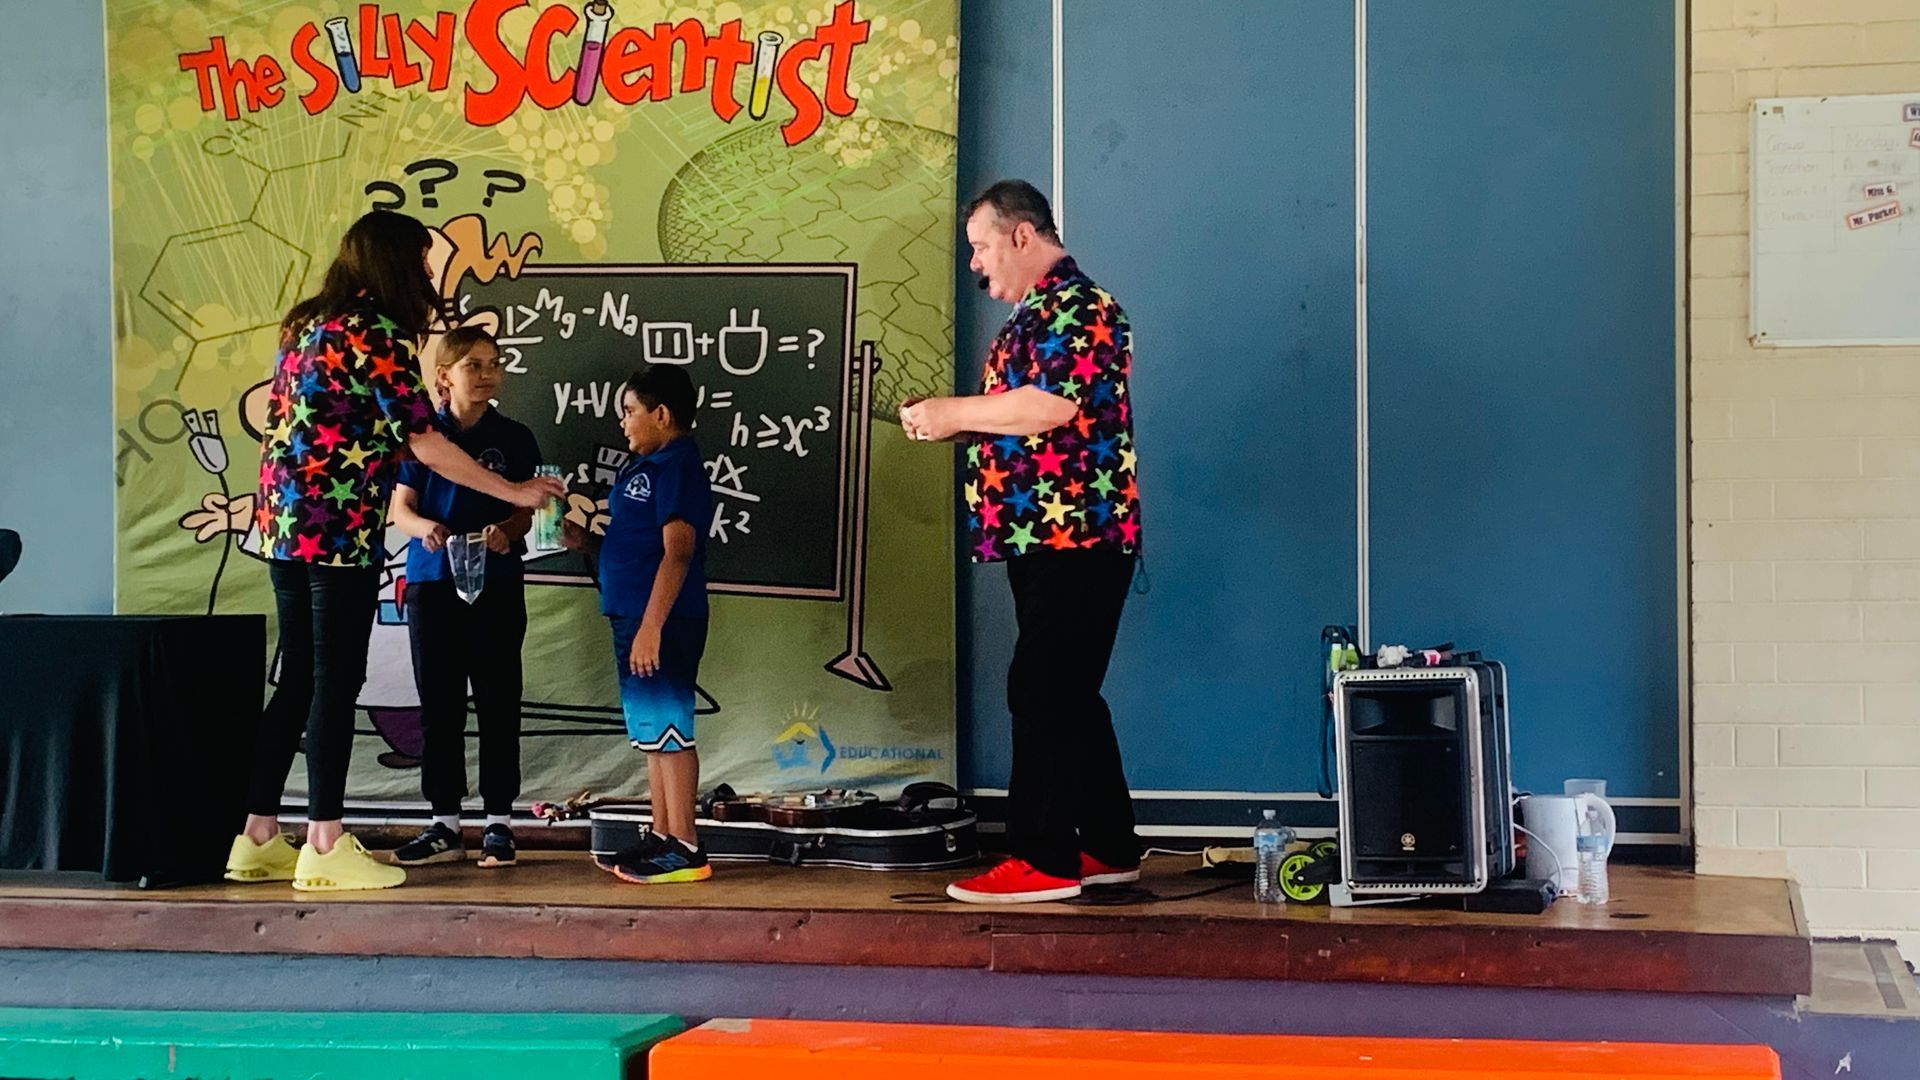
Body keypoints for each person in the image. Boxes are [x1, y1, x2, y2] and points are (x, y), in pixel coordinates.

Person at [224, 210, 565, 892]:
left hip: (283, 524)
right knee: (334, 678)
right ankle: (324, 841)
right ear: (393, 262)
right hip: (337, 529)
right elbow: (424, 441)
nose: (427, 274)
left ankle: (257, 837)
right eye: (421, 261)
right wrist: (512, 490)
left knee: (298, 677)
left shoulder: (305, 324)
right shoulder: (374, 330)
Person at [901, 179, 1144, 904]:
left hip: (1077, 534)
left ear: (1021, 235)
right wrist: (957, 423)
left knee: (1042, 687)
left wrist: (954, 412)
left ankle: (1044, 859)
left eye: (980, 247)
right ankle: (1108, 846)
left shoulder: (1080, 306)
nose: (976, 265)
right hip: (1044, 535)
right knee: (1067, 691)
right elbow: (1029, 417)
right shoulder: (1036, 314)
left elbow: (1050, 406)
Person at [387, 326, 543, 871]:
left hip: (496, 583)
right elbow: (400, 509)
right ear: (443, 377)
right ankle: (444, 824)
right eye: (473, 365)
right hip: (432, 582)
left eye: (494, 364)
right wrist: (424, 527)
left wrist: (508, 531)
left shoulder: (515, 437)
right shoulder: (422, 435)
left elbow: (527, 511)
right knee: (439, 704)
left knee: (499, 700)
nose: (486, 374)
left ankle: (499, 822)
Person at [563, 366, 713, 884]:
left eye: (630, 411)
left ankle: (687, 846)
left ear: (661, 414)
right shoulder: (642, 466)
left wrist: (653, 626)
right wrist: (588, 543)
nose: (623, 422)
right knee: (652, 733)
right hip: (632, 616)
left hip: (662, 620)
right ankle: (662, 833)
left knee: (671, 729)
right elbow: (636, 547)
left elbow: (678, 551)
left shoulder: (677, 465)